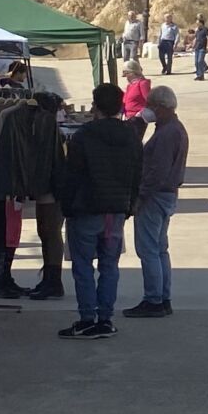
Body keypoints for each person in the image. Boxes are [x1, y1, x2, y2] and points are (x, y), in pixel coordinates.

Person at [58, 81, 142, 339]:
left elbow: (71, 175)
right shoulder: (131, 135)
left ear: (96, 106)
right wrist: (129, 205)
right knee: (109, 265)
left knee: (83, 266)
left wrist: (67, 207)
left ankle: (87, 318)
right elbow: (136, 175)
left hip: (86, 207)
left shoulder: (84, 135)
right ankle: (105, 318)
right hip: (115, 209)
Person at [126, 84, 186, 319]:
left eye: (150, 106)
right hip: (166, 194)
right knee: (159, 249)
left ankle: (153, 299)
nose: (147, 109)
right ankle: (162, 297)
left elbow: (156, 171)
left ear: (160, 107)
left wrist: (140, 197)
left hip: (155, 196)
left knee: (149, 249)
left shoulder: (167, 133)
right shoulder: (172, 129)